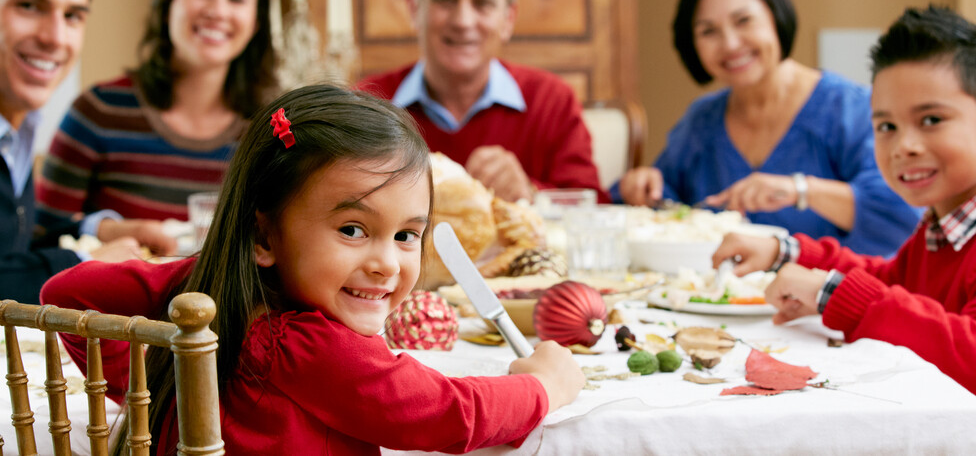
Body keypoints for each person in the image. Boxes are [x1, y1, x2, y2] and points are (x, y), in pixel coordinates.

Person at [41, 84, 585, 455]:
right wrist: (541, 386)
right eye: (352, 229)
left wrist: (167, 347)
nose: (385, 263)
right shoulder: (308, 346)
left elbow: (66, 293)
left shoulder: (230, 312)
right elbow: (450, 414)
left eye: (406, 236)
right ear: (264, 236)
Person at [712, 5, 976, 411]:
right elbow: (891, 282)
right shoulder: (940, 229)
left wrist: (833, 295)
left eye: (932, 119)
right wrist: (786, 252)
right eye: (887, 127)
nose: (905, 146)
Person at [613, 0, 920, 257]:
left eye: (743, 21)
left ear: (776, 16)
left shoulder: (848, 109)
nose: (731, 44)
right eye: (708, 31)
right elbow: (668, 204)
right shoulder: (701, 121)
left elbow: (902, 214)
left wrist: (799, 191)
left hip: (829, 298)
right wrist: (643, 187)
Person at [35, 0, 278, 255]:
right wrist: (108, 230)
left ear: (257, 21)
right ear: (168, 3)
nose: (218, 11)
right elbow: (38, 235)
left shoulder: (270, 133)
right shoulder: (98, 111)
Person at [356, 0, 605, 203]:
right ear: (415, 8)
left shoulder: (552, 101)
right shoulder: (368, 103)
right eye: (446, 0)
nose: (463, 20)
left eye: (483, 3)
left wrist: (530, 193)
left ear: (508, 19)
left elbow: (593, 208)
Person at [0, 0, 142, 303]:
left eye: (73, 16)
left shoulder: (17, 129)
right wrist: (83, 261)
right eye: (29, 5)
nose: (55, 37)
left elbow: (11, 245)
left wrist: (99, 229)